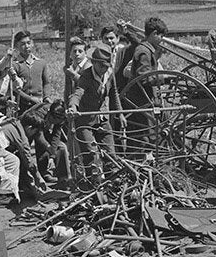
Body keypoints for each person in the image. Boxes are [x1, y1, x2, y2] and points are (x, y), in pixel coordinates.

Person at [68, 44, 120, 185]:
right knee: (91, 154)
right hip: (85, 119)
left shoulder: (109, 74)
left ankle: (113, 183)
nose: (104, 69)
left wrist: (120, 114)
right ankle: (92, 186)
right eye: (102, 66)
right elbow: (78, 92)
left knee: (110, 153)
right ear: (94, 63)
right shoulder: (86, 76)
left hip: (101, 117)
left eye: (106, 66)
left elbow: (114, 94)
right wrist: (73, 106)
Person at [124, 16, 166, 155]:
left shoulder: (146, 48)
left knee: (148, 134)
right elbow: (144, 78)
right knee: (145, 136)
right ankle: (141, 166)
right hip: (140, 101)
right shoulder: (144, 51)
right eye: (160, 35)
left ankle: (144, 164)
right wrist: (164, 77)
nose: (162, 39)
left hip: (145, 100)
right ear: (154, 34)